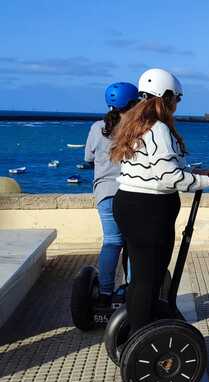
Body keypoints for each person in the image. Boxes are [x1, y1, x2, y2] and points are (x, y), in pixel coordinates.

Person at [111, 68, 209, 334]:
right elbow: (169, 178)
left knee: (141, 278)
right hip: (149, 212)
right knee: (148, 280)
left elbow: (159, 168)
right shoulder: (159, 128)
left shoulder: (135, 124)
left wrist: (197, 172)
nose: (177, 104)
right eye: (177, 98)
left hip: (128, 204)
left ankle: (139, 331)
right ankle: (143, 338)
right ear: (166, 97)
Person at [84, 82, 139, 307]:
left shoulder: (97, 127)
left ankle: (105, 293)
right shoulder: (137, 128)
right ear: (133, 103)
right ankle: (133, 292)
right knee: (133, 243)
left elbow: (88, 157)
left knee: (111, 242)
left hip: (105, 193)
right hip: (131, 193)